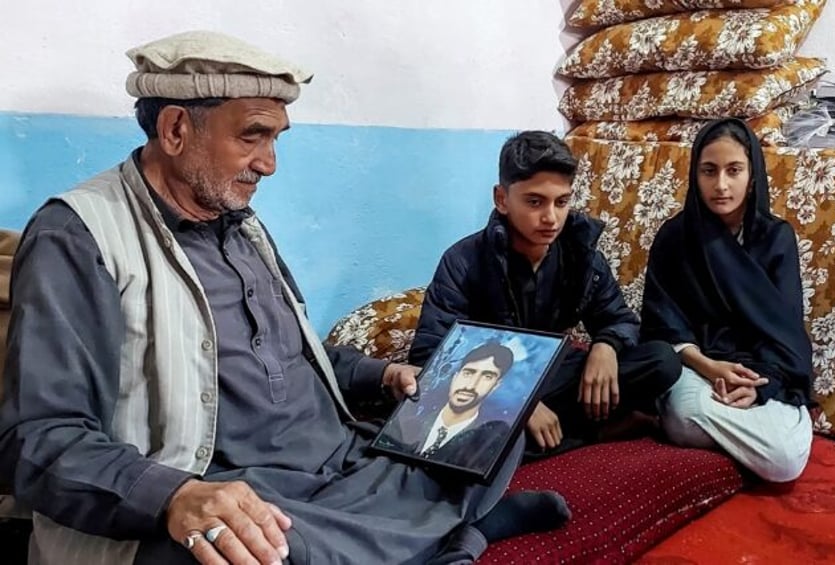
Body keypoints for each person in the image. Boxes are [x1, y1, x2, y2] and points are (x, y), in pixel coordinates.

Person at [0, 31, 570, 565]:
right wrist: (176, 497)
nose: (269, 163)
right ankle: (453, 529)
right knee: (250, 545)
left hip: (340, 462)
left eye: (275, 139)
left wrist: (382, 374)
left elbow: (289, 358)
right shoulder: (78, 236)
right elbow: (39, 439)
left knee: (492, 415)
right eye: (253, 135)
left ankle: (423, 528)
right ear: (175, 129)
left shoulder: (240, 225)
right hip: (241, 488)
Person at [409, 130, 681, 458]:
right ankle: (587, 432)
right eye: (535, 202)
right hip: (489, 385)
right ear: (502, 199)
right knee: (444, 432)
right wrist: (516, 403)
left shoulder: (582, 256)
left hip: (554, 376)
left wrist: (607, 345)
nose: (551, 217)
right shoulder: (463, 262)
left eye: (561, 202)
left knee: (662, 361)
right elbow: (429, 358)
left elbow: (618, 318)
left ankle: (542, 437)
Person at [640, 118, 814, 483]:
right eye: (709, 171)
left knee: (785, 459)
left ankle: (732, 443)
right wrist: (708, 366)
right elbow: (660, 322)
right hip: (698, 370)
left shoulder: (775, 238)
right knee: (684, 413)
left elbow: (786, 331)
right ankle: (742, 447)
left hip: (761, 373)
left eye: (734, 170)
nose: (721, 185)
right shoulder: (675, 237)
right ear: (695, 175)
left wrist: (758, 385)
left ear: (752, 175)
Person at [379, 343, 513, 470]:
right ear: (455, 376)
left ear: (496, 385)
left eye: (487, 377)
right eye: (468, 373)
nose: (470, 385)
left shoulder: (486, 444)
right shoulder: (406, 421)